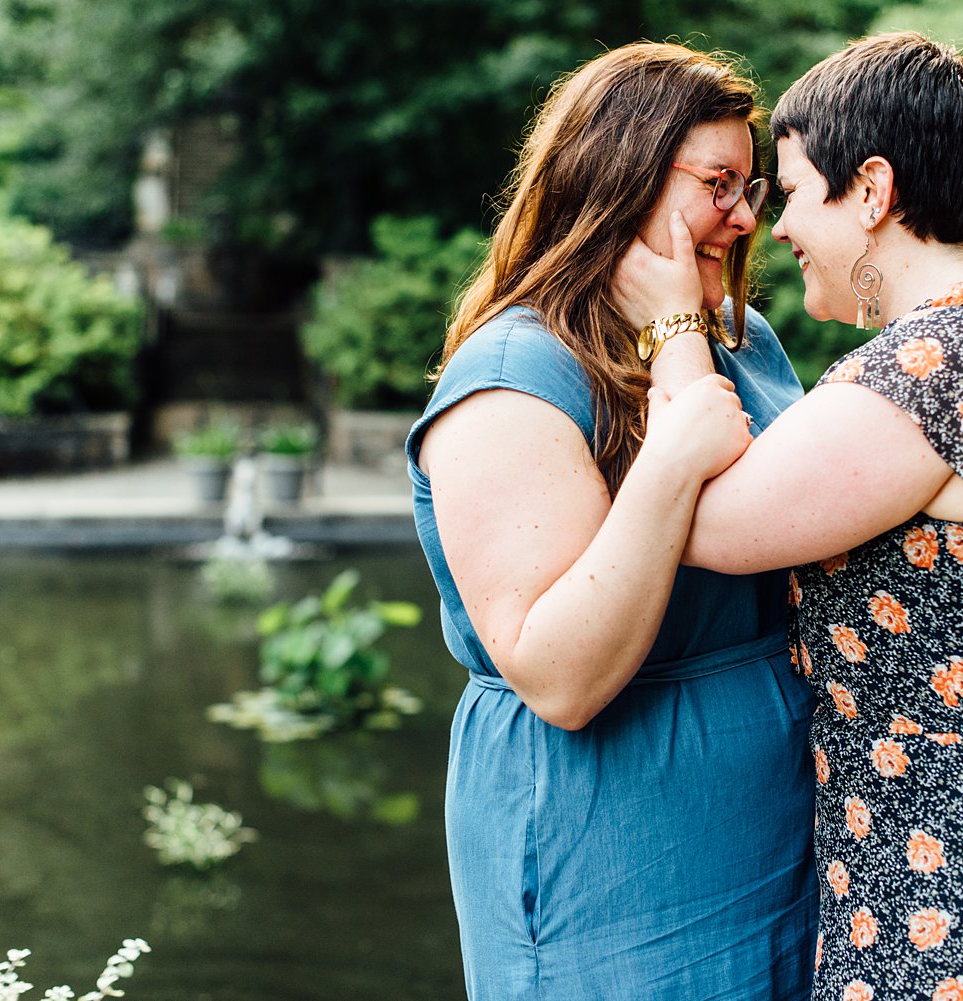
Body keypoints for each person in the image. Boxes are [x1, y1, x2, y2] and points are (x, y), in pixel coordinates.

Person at [614, 31, 963, 1001]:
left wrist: (672, 324)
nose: (773, 226)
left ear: (871, 191)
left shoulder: (935, 366)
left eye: (792, 191)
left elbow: (696, 518)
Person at [405, 42, 818, 1000]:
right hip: (613, 838)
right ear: (619, 176)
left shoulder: (739, 338)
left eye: (751, 186)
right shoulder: (515, 377)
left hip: (778, 827)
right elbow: (560, 674)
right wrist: (670, 463)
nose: (746, 215)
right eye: (718, 183)